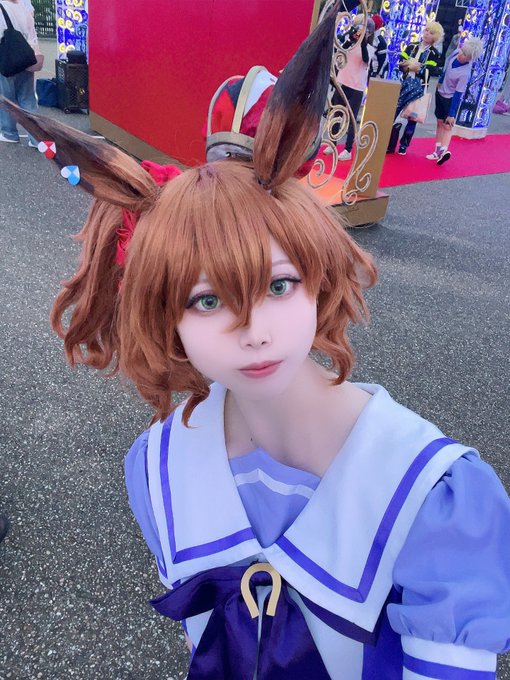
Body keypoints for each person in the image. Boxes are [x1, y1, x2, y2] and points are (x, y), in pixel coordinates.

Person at [3, 6, 509, 678]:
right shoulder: (161, 467)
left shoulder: (430, 494)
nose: (254, 331)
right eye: (207, 300)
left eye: (278, 285)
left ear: (318, 277)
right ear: (164, 316)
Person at [387, 21, 443, 155]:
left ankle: (404, 145)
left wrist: (417, 68)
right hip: (404, 83)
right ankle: (390, 144)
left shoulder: (434, 53)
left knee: (412, 118)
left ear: (435, 37)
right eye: (426, 30)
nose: (427, 34)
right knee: (395, 114)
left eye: (431, 32)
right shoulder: (412, 46)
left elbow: (432, 70)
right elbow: (400, 62)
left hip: (419, 88)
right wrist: (409, 67)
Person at [426, 35, 484, 165]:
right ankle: (437, 151)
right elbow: (446, 68)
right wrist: (440, 81)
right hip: (440, 92)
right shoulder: (456, 53)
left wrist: (452, 113)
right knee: (439, 122)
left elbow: (458, 94)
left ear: (470, 58)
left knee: (447, 125)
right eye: (462, 51)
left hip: (450, 98)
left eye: (465, 55)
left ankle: (444, 151)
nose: (461, 55)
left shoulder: (465, 73)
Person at [334, 15, 375, 161]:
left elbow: (365, 59)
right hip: (342, 82)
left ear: (369, 32)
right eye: (357, 28)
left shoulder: (370, 48)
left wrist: (362, 43)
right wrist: (350, 39)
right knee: (336, 114)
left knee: (351, 118)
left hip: (356, 87)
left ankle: (347, 149)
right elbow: (340, 50)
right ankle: (332, 143)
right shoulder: (350, 43)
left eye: (363, 29)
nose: (359, 31)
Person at [0, 0, 39, 145]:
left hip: (7, 59)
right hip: (25, 57)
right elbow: (32, 33)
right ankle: (35, 139)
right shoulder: (23, 6)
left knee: (7, 98)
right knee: (28, 99)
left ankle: (10, 133)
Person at [368, 13, 388, 79]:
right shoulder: (368, 36)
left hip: (375, 71)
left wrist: (377, 73)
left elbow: (382, 59)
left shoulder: (380, 41)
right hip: (368, 69)